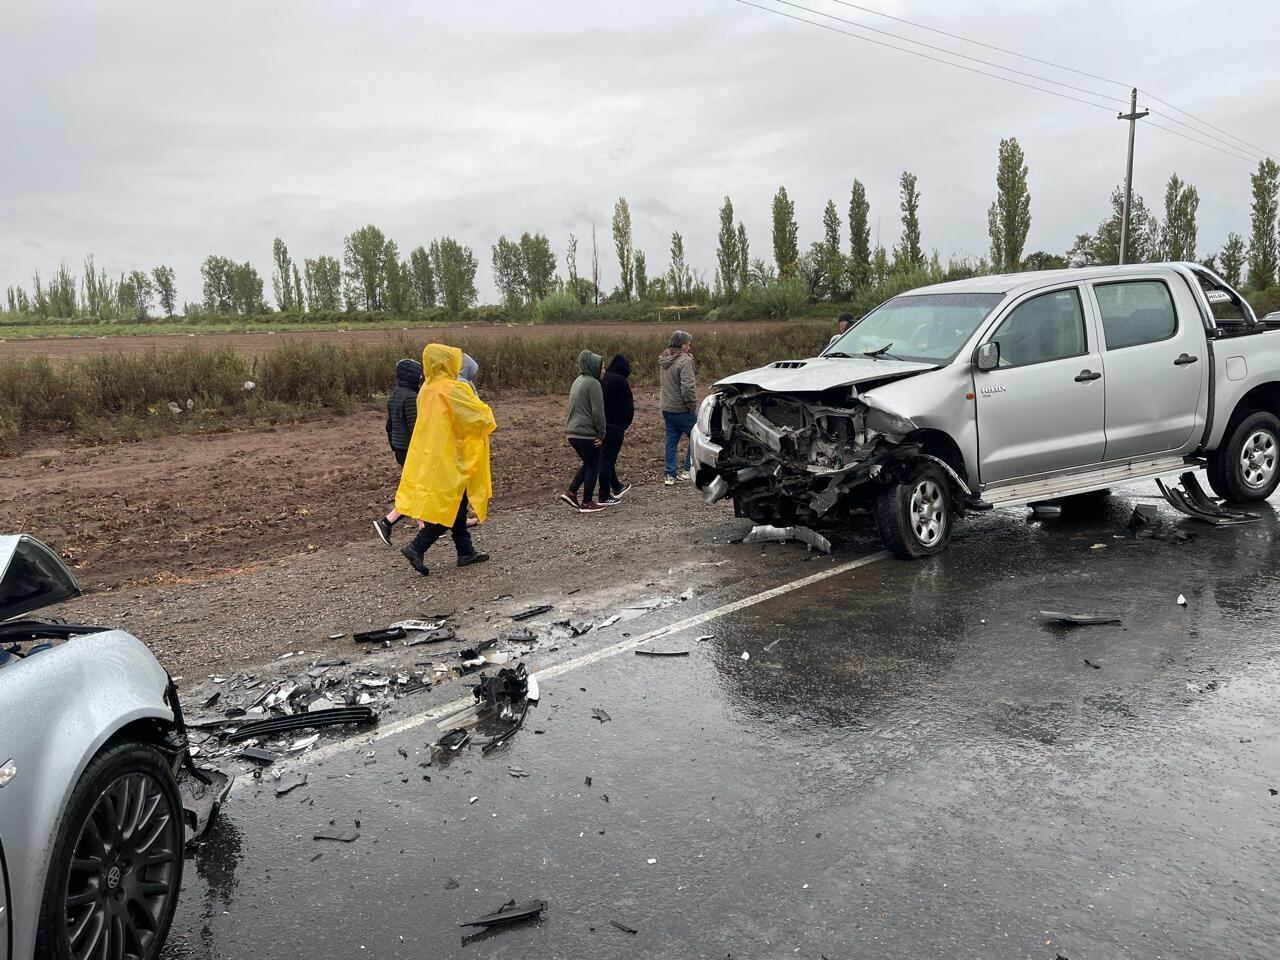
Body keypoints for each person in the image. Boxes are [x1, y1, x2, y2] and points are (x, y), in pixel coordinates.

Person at [394, 343, 495, 575]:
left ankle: (465, 552)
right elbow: (478, 417)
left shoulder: (426, 389)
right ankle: (416, 547)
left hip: (431, 455)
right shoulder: (452, 389)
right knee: (450, 506)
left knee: (456, 505)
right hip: (452, 456)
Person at [374, 357, 423, 545]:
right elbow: (415, 429)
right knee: (418, 487)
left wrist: (394, 446)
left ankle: (422, 526)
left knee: (415, 486)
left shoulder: (394, 395)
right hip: (411, 450)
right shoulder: (411, 398)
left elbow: (389, 426)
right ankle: (387, 522)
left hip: (400, 450)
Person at [559, 350, 608, 513]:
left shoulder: (578, 381)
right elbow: (598, 412)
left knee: (589, 463)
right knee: (594, 465)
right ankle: (587, 502)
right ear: (594, 367)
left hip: (572, 432)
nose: (604, 371)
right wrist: (601, 434)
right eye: (602, 368)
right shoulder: (593, 384)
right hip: (586, 433)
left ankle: (571, 492)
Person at [658, 330, 697, 486]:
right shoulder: (685, 361)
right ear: (682, 345)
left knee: (671, 441)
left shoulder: (664, 358)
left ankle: (670, 475)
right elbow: (688, 387)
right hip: (682, 408)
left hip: (667, 407)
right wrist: (691, 405)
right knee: (696, 436)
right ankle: (688, 470)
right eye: (688, 344)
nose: (689, 347)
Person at [600, 353, 634, 499]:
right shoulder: (621, 381)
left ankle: (616, 487)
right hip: (615, 426)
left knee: (607, 459)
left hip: (600, 425)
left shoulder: (601, 379)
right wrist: (624, 424)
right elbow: (628, 407)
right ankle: (604, 495)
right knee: (607, 461)